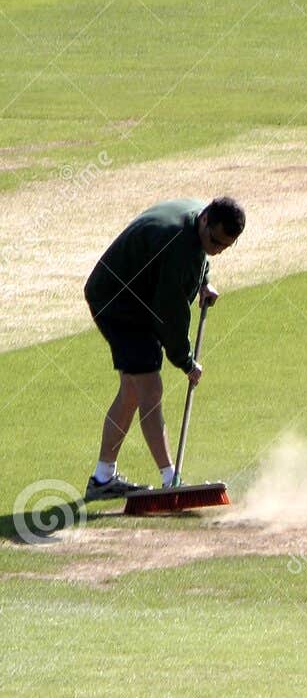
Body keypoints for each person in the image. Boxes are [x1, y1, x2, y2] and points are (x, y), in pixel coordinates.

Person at [81, 196, 245, 501]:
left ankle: (102, 478)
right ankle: (172, 481)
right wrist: (187, 362)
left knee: (133, 389)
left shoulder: (196, 222)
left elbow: (199, 257)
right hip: (117, 302)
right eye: (214, 242)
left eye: (223, 247)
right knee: (150, 390)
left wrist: (204, 280)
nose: (216, 249)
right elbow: (170, 317)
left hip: (135, 294)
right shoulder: (179, 248)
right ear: (206, 219)